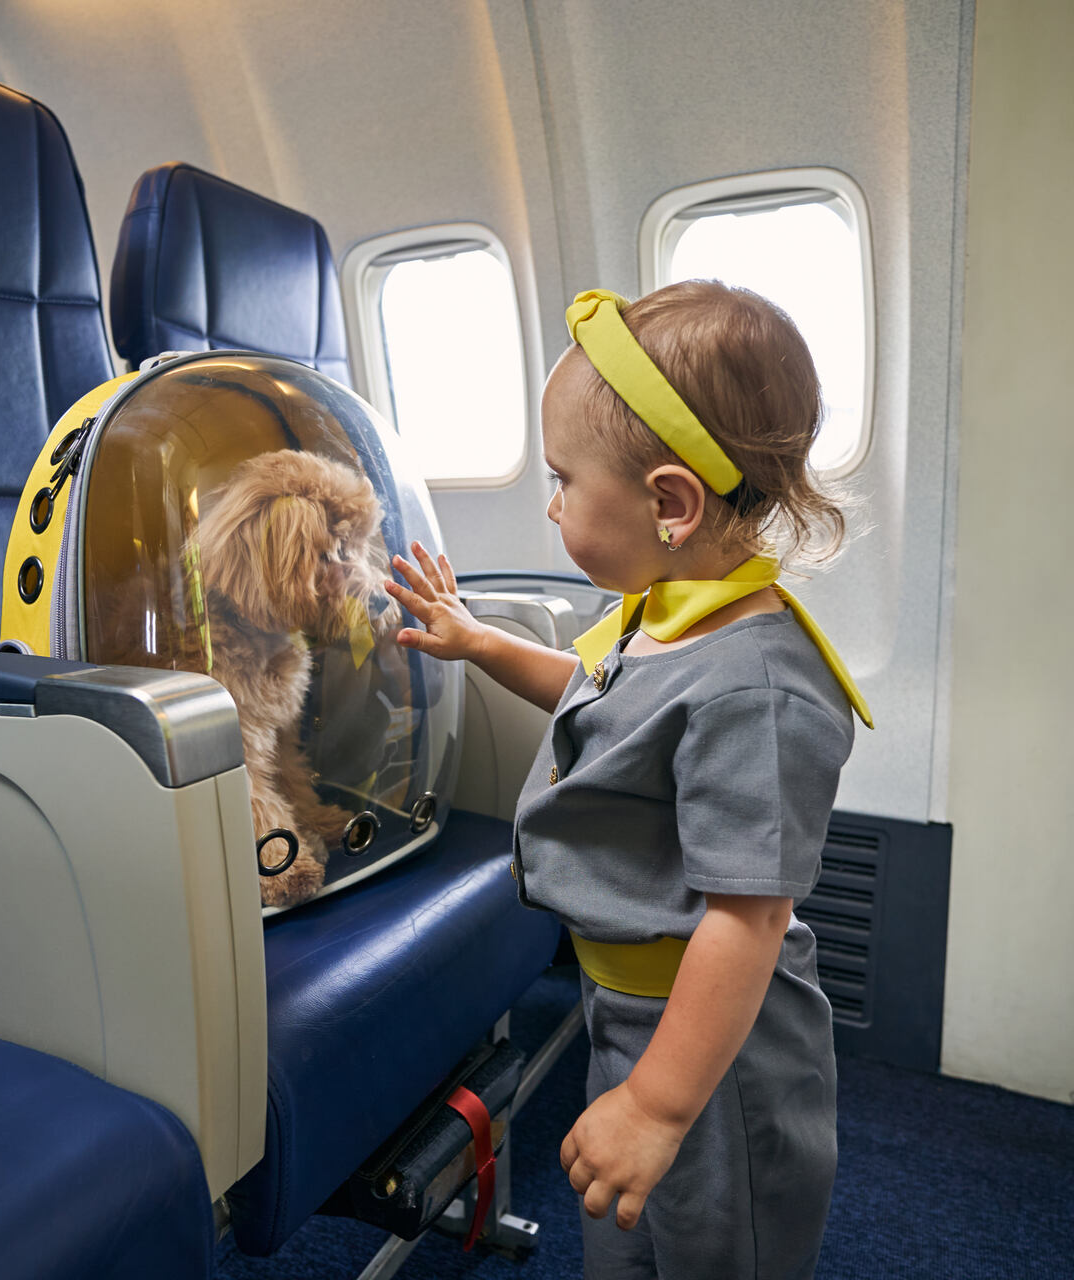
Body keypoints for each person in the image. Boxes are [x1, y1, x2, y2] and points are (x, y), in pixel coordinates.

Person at [385, 280, 873, 1280]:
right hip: (633, 1012)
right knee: (627, 1245)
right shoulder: (670, 613)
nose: (551, 498)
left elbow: (748, 920)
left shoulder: (758, 687)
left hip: (721, 1049)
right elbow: (595, 692)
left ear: (671, 502)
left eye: (565, 478)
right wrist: (478, 642)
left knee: (713, 1246)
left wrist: (659, 1101)